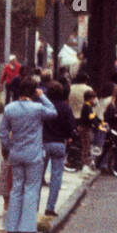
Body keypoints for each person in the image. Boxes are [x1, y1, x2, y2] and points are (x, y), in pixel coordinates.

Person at [0, 78, 57, 233]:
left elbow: (3, 132)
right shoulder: (37, 109)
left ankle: (12, 226)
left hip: (16, 153)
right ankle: (27, 227)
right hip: (34, 154)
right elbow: (53, 112)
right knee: (31, 189)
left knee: (16, 188)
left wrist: (9, 147)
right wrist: (43, 96)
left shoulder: (9, 109)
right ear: (33, 92)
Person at [41, 81, 76, 216]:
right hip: (59, 143)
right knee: (56, 176)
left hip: (44, 142)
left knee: (38, 176)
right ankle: (50, 207)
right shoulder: (65, 108)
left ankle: (34, 206)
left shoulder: (44, 106)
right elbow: (71, 126)